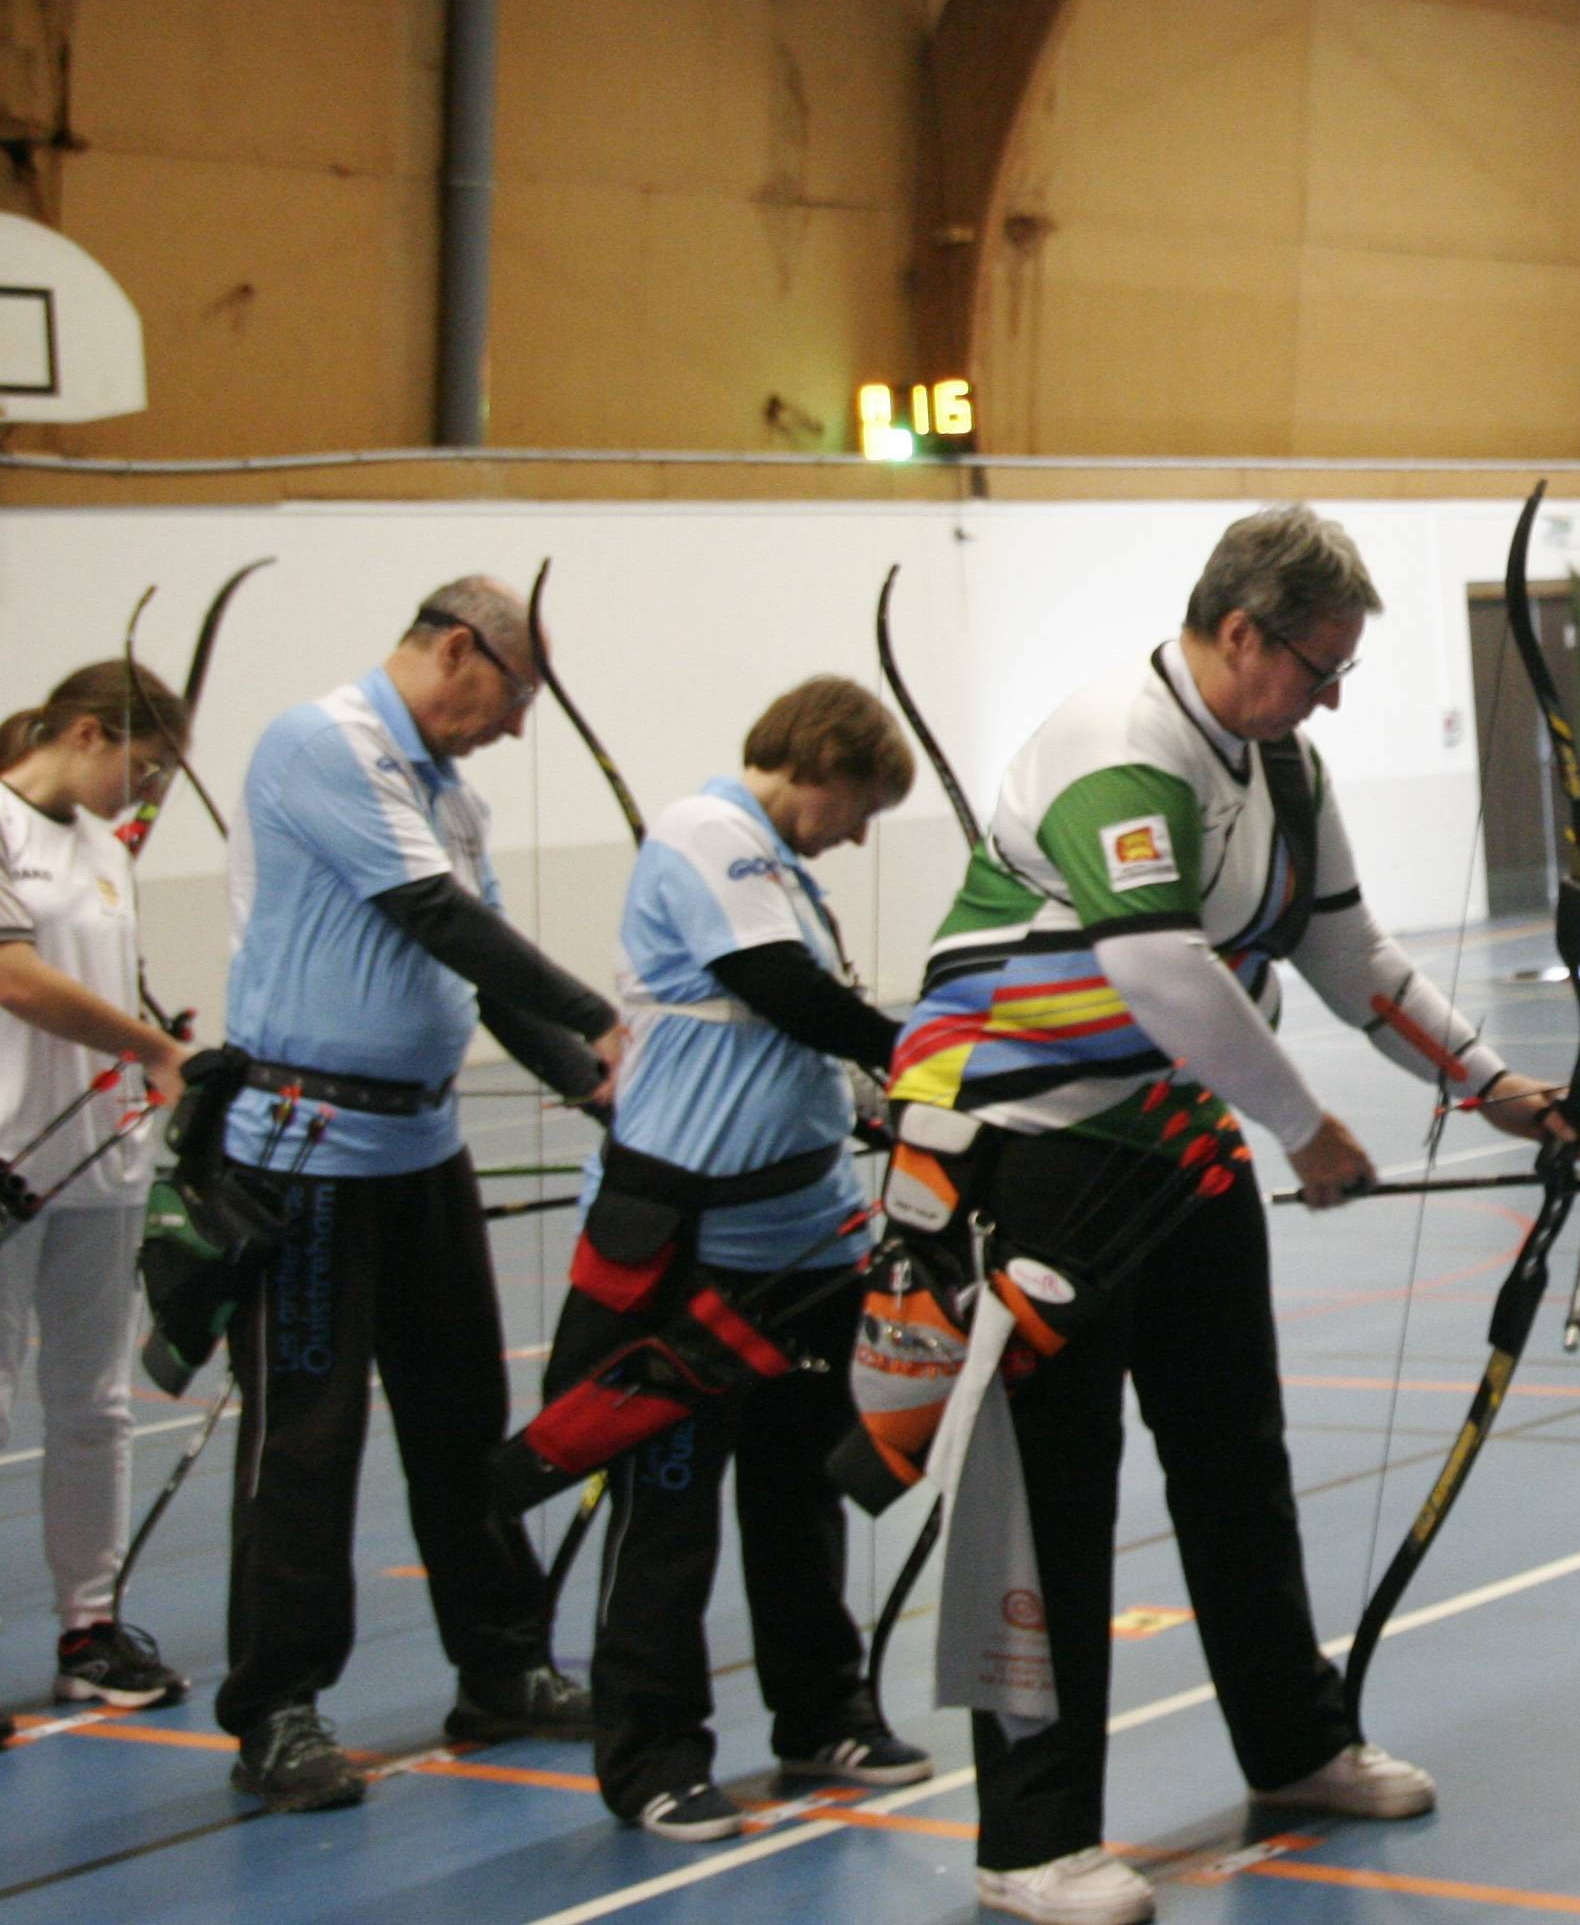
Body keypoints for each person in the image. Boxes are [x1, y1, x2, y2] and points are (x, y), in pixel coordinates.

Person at [881, 504, 1580, 1925]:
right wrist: (1305, 1127)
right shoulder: (1110, 740)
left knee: (1234, 1460)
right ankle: (1029, 1843)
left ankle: (1297, 1743)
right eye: (1318, 667)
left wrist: (1496, 1086)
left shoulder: (1285, 767)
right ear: (1240, 632)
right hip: (1030, 1158)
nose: (1330, 697)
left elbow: (1347, 954)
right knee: (1045, 1501)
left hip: (1175, 1147)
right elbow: (1155, 966)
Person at [212, 579, 629, 1811]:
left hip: (419, 1148)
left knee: (464, 1417)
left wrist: (605, 1091)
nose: (510, 729)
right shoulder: (322, 743)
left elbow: (488, 977)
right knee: (307, 1438)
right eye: (511, 697)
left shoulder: (449, 792)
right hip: (306, 1156)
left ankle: (499, 1662)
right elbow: (435, 916)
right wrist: (601, 1015)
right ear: (459, 648)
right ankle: (276, 1708)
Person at [573, 677, 930, 1839]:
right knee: (669, 1505)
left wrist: (877, 1092)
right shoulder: (704, 829)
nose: (860, 830)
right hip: (694, 1249)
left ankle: (821, 1710)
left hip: (806, 1242)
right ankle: (651, 1753)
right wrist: (917, 1053)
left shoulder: (786, 871)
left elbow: (800, 1037)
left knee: (801, 1491)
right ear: (821, 758)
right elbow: (782, 995)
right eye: (862, 801)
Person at [0, 662, 200, 1720]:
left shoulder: (101, 850)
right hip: (6, 1160)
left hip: (102, 1167)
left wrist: (158, 1035)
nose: (146, 787)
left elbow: (103, 979)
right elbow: (14, 973)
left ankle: (90, 1624)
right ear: (85, 730)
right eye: (142, 762)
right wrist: (143, 1044)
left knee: (95, 1407)